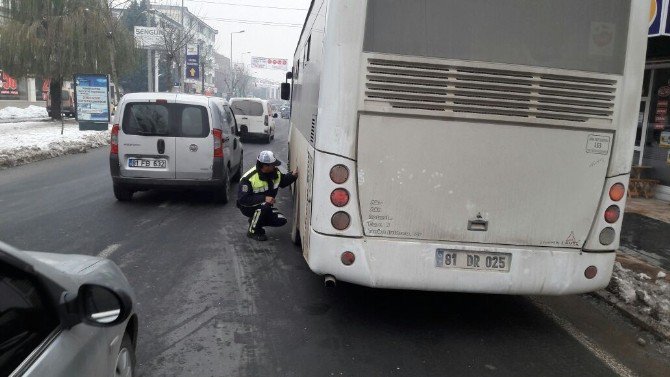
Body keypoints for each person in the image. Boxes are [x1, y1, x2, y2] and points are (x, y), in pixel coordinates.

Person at [237, 150, 298, 241]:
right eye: (273, 165)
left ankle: (254, 220)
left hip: (263, 206)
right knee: (264, 205)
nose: (275, 166)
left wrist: (292, 176)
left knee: (281, 220)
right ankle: (253, 232)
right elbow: (243, 200)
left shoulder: (275, 173)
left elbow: (282, 182)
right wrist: (264, 198)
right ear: (265, 166)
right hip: (247, 207)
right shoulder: (248, 179)